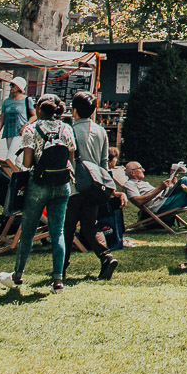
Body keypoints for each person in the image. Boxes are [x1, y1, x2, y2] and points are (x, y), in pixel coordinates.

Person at [0, 94, 75, 293]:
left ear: (39, 109)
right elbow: (71, 159)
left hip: (38, 184)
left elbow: (26, 163)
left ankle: (17, 274)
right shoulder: (66, 128)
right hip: (62, 185)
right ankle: (58, 280)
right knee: (57, 231)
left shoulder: (31, 130)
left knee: (28, 231)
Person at [63, 92, 118, 281]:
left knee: (67, 226)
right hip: (95, 184)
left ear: (75, 110)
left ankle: (60, 267)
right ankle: (106, 257)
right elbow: (104, 162)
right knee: (90, 225)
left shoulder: (69, 130)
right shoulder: (101, 131)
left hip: (74, 185)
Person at [118, 161, 187, 217]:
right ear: (132, 173)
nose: (143, 170)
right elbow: (138, 201)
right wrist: (160, 188)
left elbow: (161, 193)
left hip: (165, 199)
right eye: (140, 168)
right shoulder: (129, 184)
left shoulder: (142, 183)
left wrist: (173, 181)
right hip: (160, 206)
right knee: (186, 181)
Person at [0, 79, 33, 158]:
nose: (10, 87)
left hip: (20, 132)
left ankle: (10, 169)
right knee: (17, 159)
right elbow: (2, 118)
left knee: (11, 156)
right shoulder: (7, 101)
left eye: (13, 85)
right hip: (9, 131)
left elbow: (34, 116)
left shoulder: (27, 100)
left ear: (19, 87)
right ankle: (18, 170)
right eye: (10, 85)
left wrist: (25, 125)